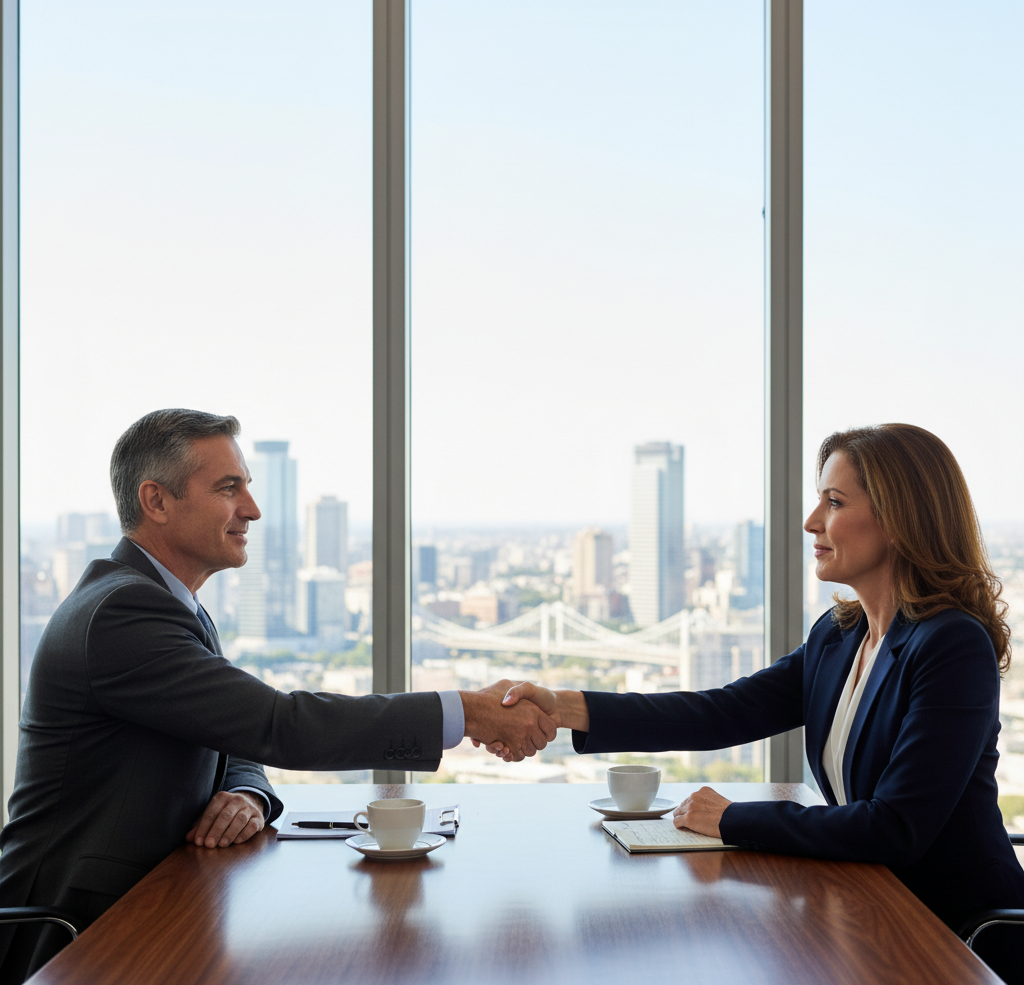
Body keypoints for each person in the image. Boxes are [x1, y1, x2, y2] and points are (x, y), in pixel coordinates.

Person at [0, 409, 556, 984]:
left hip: (156, 911)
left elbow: (235, 734)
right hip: (75, 937)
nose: (252, 509)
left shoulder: (159, 603)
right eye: (227, 488)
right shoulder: (123, 615)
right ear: (157, 501)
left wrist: (248, 793)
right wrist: (464, 712)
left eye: (247, 487)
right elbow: (279, 724)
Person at [499, 424, 1024, 983]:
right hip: (871, 915)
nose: (811, 521)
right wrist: (562, 707)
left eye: (835, 502)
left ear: (898, 520)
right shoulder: (837, 637)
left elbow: (895, 828)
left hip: (959, 938)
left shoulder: (951, 645)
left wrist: (731, 818)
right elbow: (722, 711)